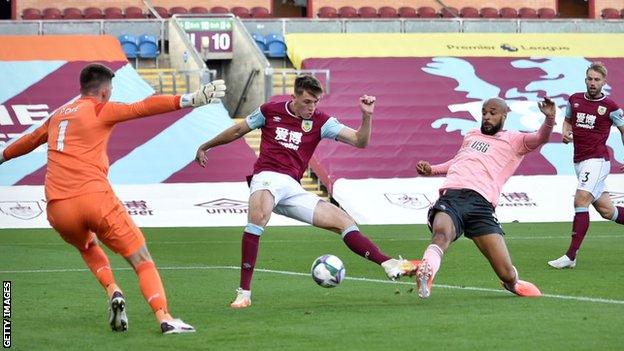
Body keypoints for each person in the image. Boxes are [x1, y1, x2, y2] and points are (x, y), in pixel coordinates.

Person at [0, 63, 226, 334]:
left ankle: (113, 290)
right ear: (105, 91)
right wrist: (190, 100)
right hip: (94, 198)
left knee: (87, 247)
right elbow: (142, 107)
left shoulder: (58, 115)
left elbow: (29, 140)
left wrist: (2, 156)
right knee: (142, 259)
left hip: (58, 207)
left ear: (82, 87)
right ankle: (165, 318)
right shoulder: (100, 108)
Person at [195, 74, 417, 308]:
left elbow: (359, 141)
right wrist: (205, 146)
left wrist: (367, 116)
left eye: (315, 102)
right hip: (267, 176)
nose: (312, 108)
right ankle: (244, 293)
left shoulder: (322, 121)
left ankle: (388, 263)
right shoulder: (270, 110)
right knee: (257, 218)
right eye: (307, 102)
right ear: (294, 97)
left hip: (292, 187)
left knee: (345, 221)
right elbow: (238, 130)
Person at [414, 97, 557, 299]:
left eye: (492, 113)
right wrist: (432, 170)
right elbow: (458, 161)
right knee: (441, 235)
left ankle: (512, 283)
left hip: (481, 205)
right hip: (452, 196)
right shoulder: (471, 135)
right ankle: (426, 272)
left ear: (504, 116)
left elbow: (541, 137)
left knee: (506, 274)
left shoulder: (515, 140)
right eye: (484, 113)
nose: (487, 117)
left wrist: (550, 118)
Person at [548, 62, 624, 269]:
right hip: (579, 162)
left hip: (598, 160)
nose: (592, 83)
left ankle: (570, 256)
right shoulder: (574, 99)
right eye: (589, 79)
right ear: (585, 80)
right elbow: (567, 121)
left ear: (604, 82)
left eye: (596, 80)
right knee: (608, 212)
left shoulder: (611, 107)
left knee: (580, 200)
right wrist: (565, 132)